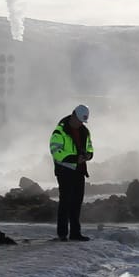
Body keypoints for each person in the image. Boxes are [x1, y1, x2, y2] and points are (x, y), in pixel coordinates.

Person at [49, 102, 93, 241]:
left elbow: (90, 147)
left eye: (82, 121)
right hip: (65, 171)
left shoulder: (85, 131)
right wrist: (75, 159)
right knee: (65, 202)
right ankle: (62, 234)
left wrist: (88, 155)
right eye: (79, 121)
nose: (81, 123)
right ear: (73, 115)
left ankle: (75, 233)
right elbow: (56, 152)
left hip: (79, 170)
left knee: (76, 203)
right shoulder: (59, 131)